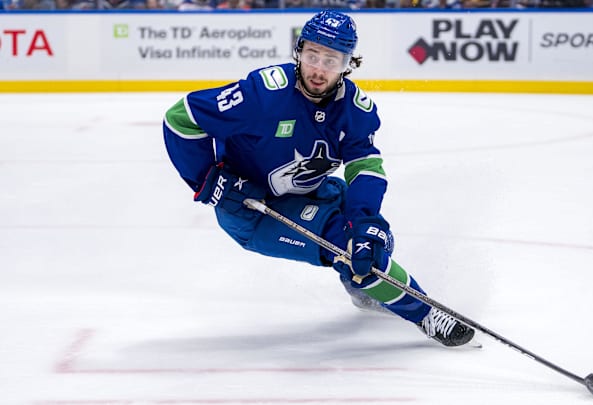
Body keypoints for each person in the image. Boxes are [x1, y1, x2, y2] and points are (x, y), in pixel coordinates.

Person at [162, 10, 475, 347]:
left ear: (348, 64)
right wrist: (209, 180)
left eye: (332, 60)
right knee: (346, 247)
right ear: (299, 51)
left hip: (312, 190)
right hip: (252, 211)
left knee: (372, 241)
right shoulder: (262, 95)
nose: (319, 69)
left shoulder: (356, 110)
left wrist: (366, 220)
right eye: (312, 56)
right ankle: (426, 314)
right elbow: (181, 118)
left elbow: (365, 169)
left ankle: (362, 288)